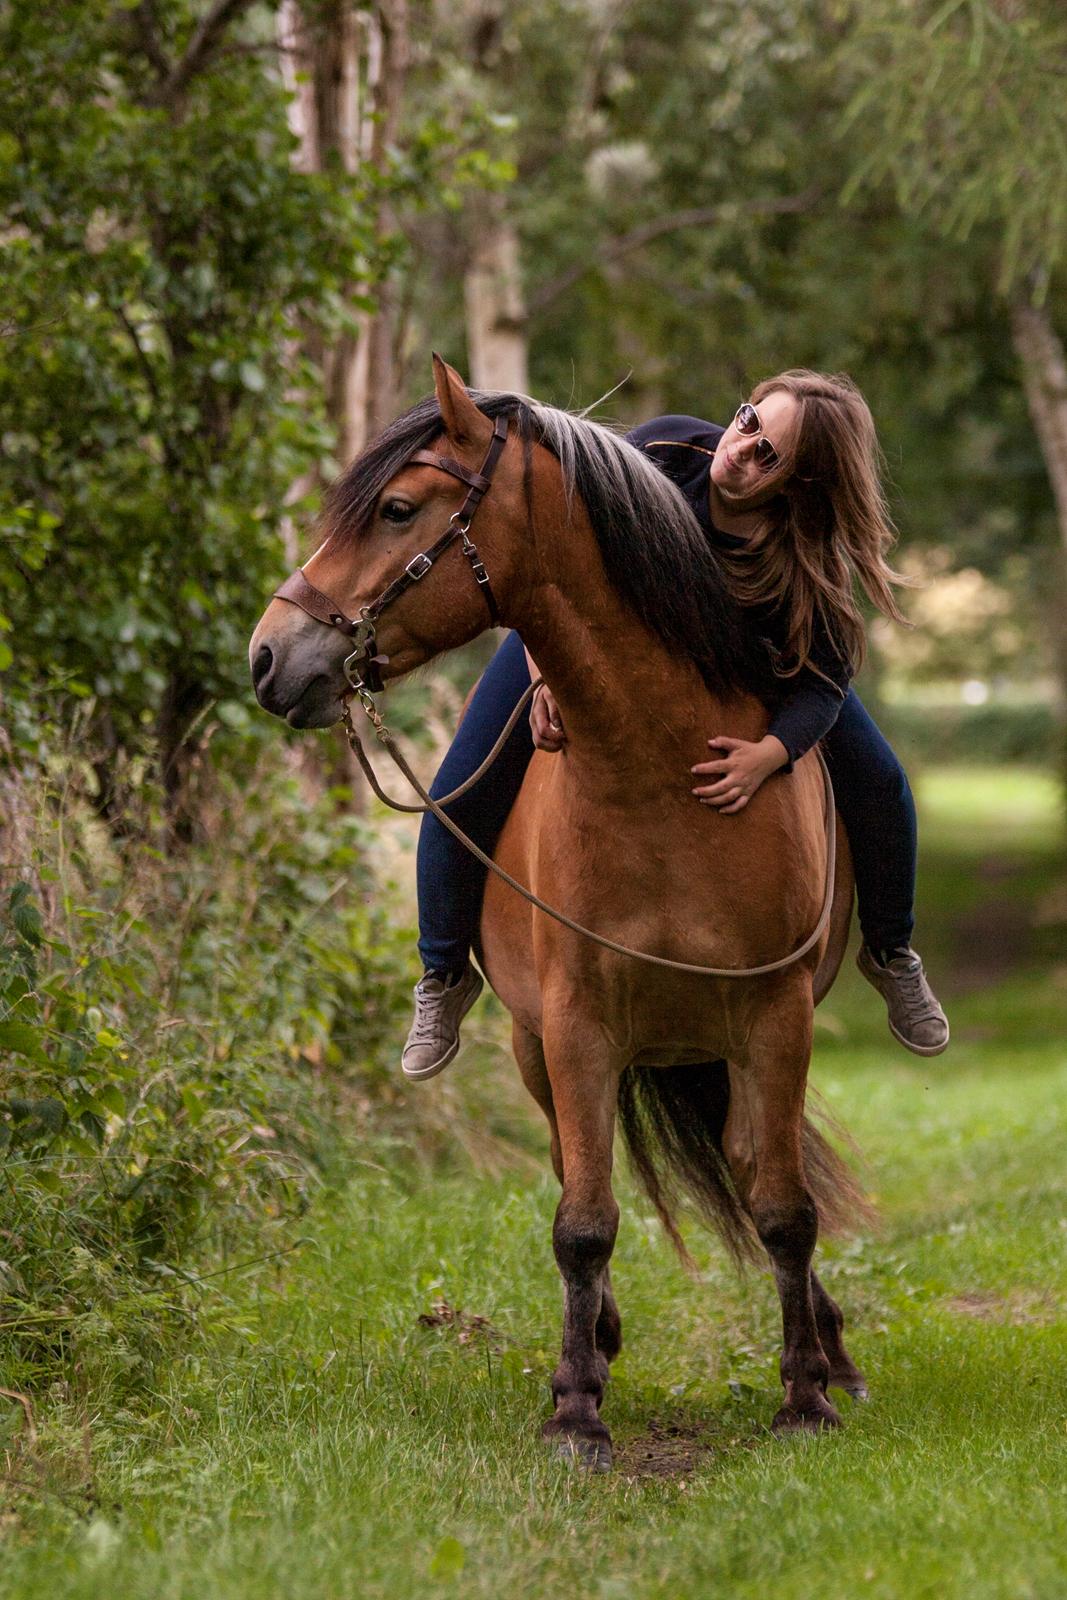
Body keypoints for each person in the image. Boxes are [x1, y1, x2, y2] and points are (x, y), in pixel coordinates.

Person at [401, 370, 949, 1081]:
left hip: (746, 667)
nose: (740, 449)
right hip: (582, 643)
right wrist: (544, 677)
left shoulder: (800, 553)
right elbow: (552, 564)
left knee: (881, 785)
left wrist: (772, 754)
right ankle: (442, 974)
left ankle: (890, 950)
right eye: (748, 421)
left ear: (802, 486)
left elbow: (822, 680)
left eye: (769, 457)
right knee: (459, 791)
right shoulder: (659, 453)